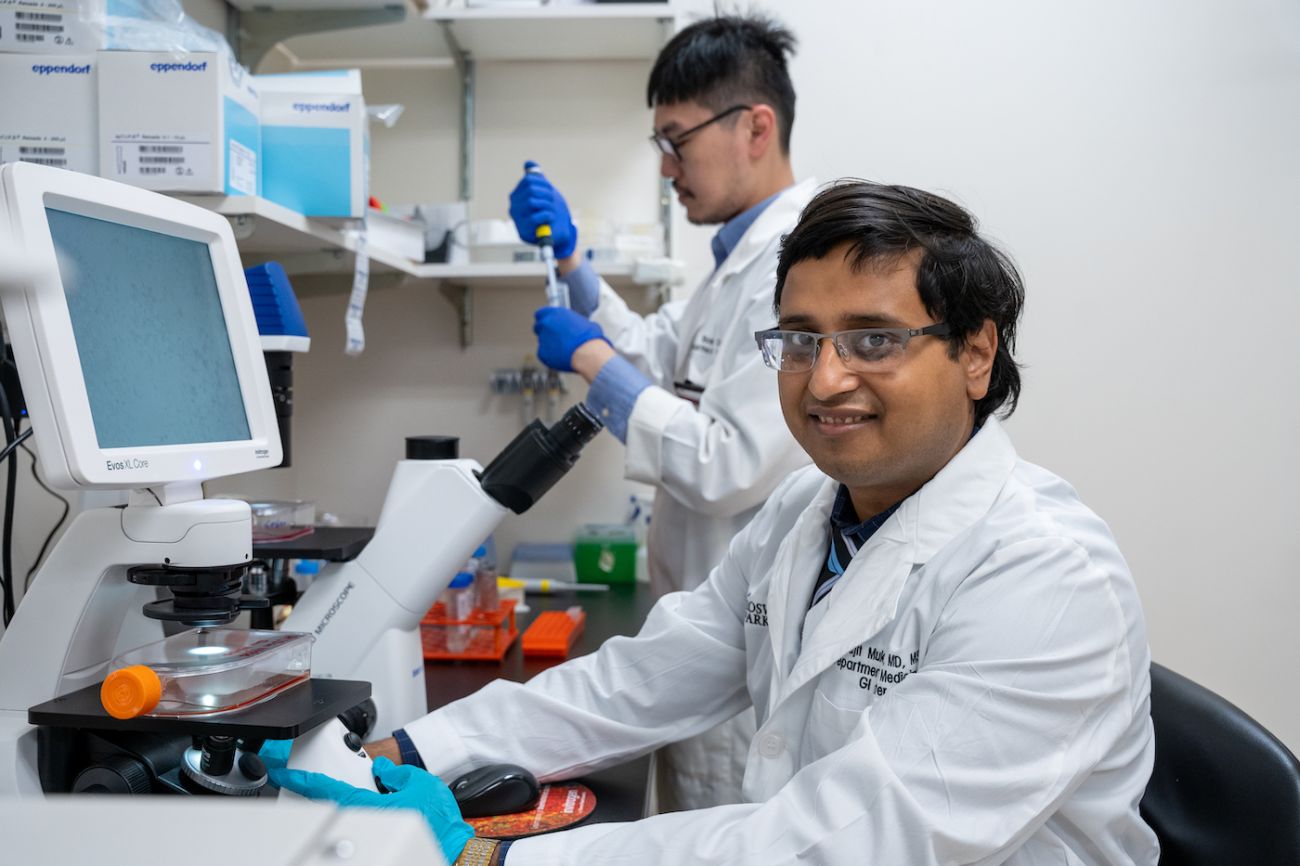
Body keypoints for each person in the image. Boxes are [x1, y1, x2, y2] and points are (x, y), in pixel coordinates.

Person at [272, 180, 1160, 866]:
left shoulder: (1045, 576)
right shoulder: (806, 517)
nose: (823, 381)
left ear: (976, 353)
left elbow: (844, 843)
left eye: (874, 340)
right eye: (801, 340)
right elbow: (643, 679)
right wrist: (411, 750)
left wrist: (491, 854)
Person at [507, 13, 815, 813]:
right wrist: (573, 265)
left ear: (756, 126)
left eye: (679, 140)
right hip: (698, 638)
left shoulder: (797, 265)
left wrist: (588, 360)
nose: (669, 167)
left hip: (748, 664)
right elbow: (655, 351)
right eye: (660, 145)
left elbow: (726, 461)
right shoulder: (730, 268)